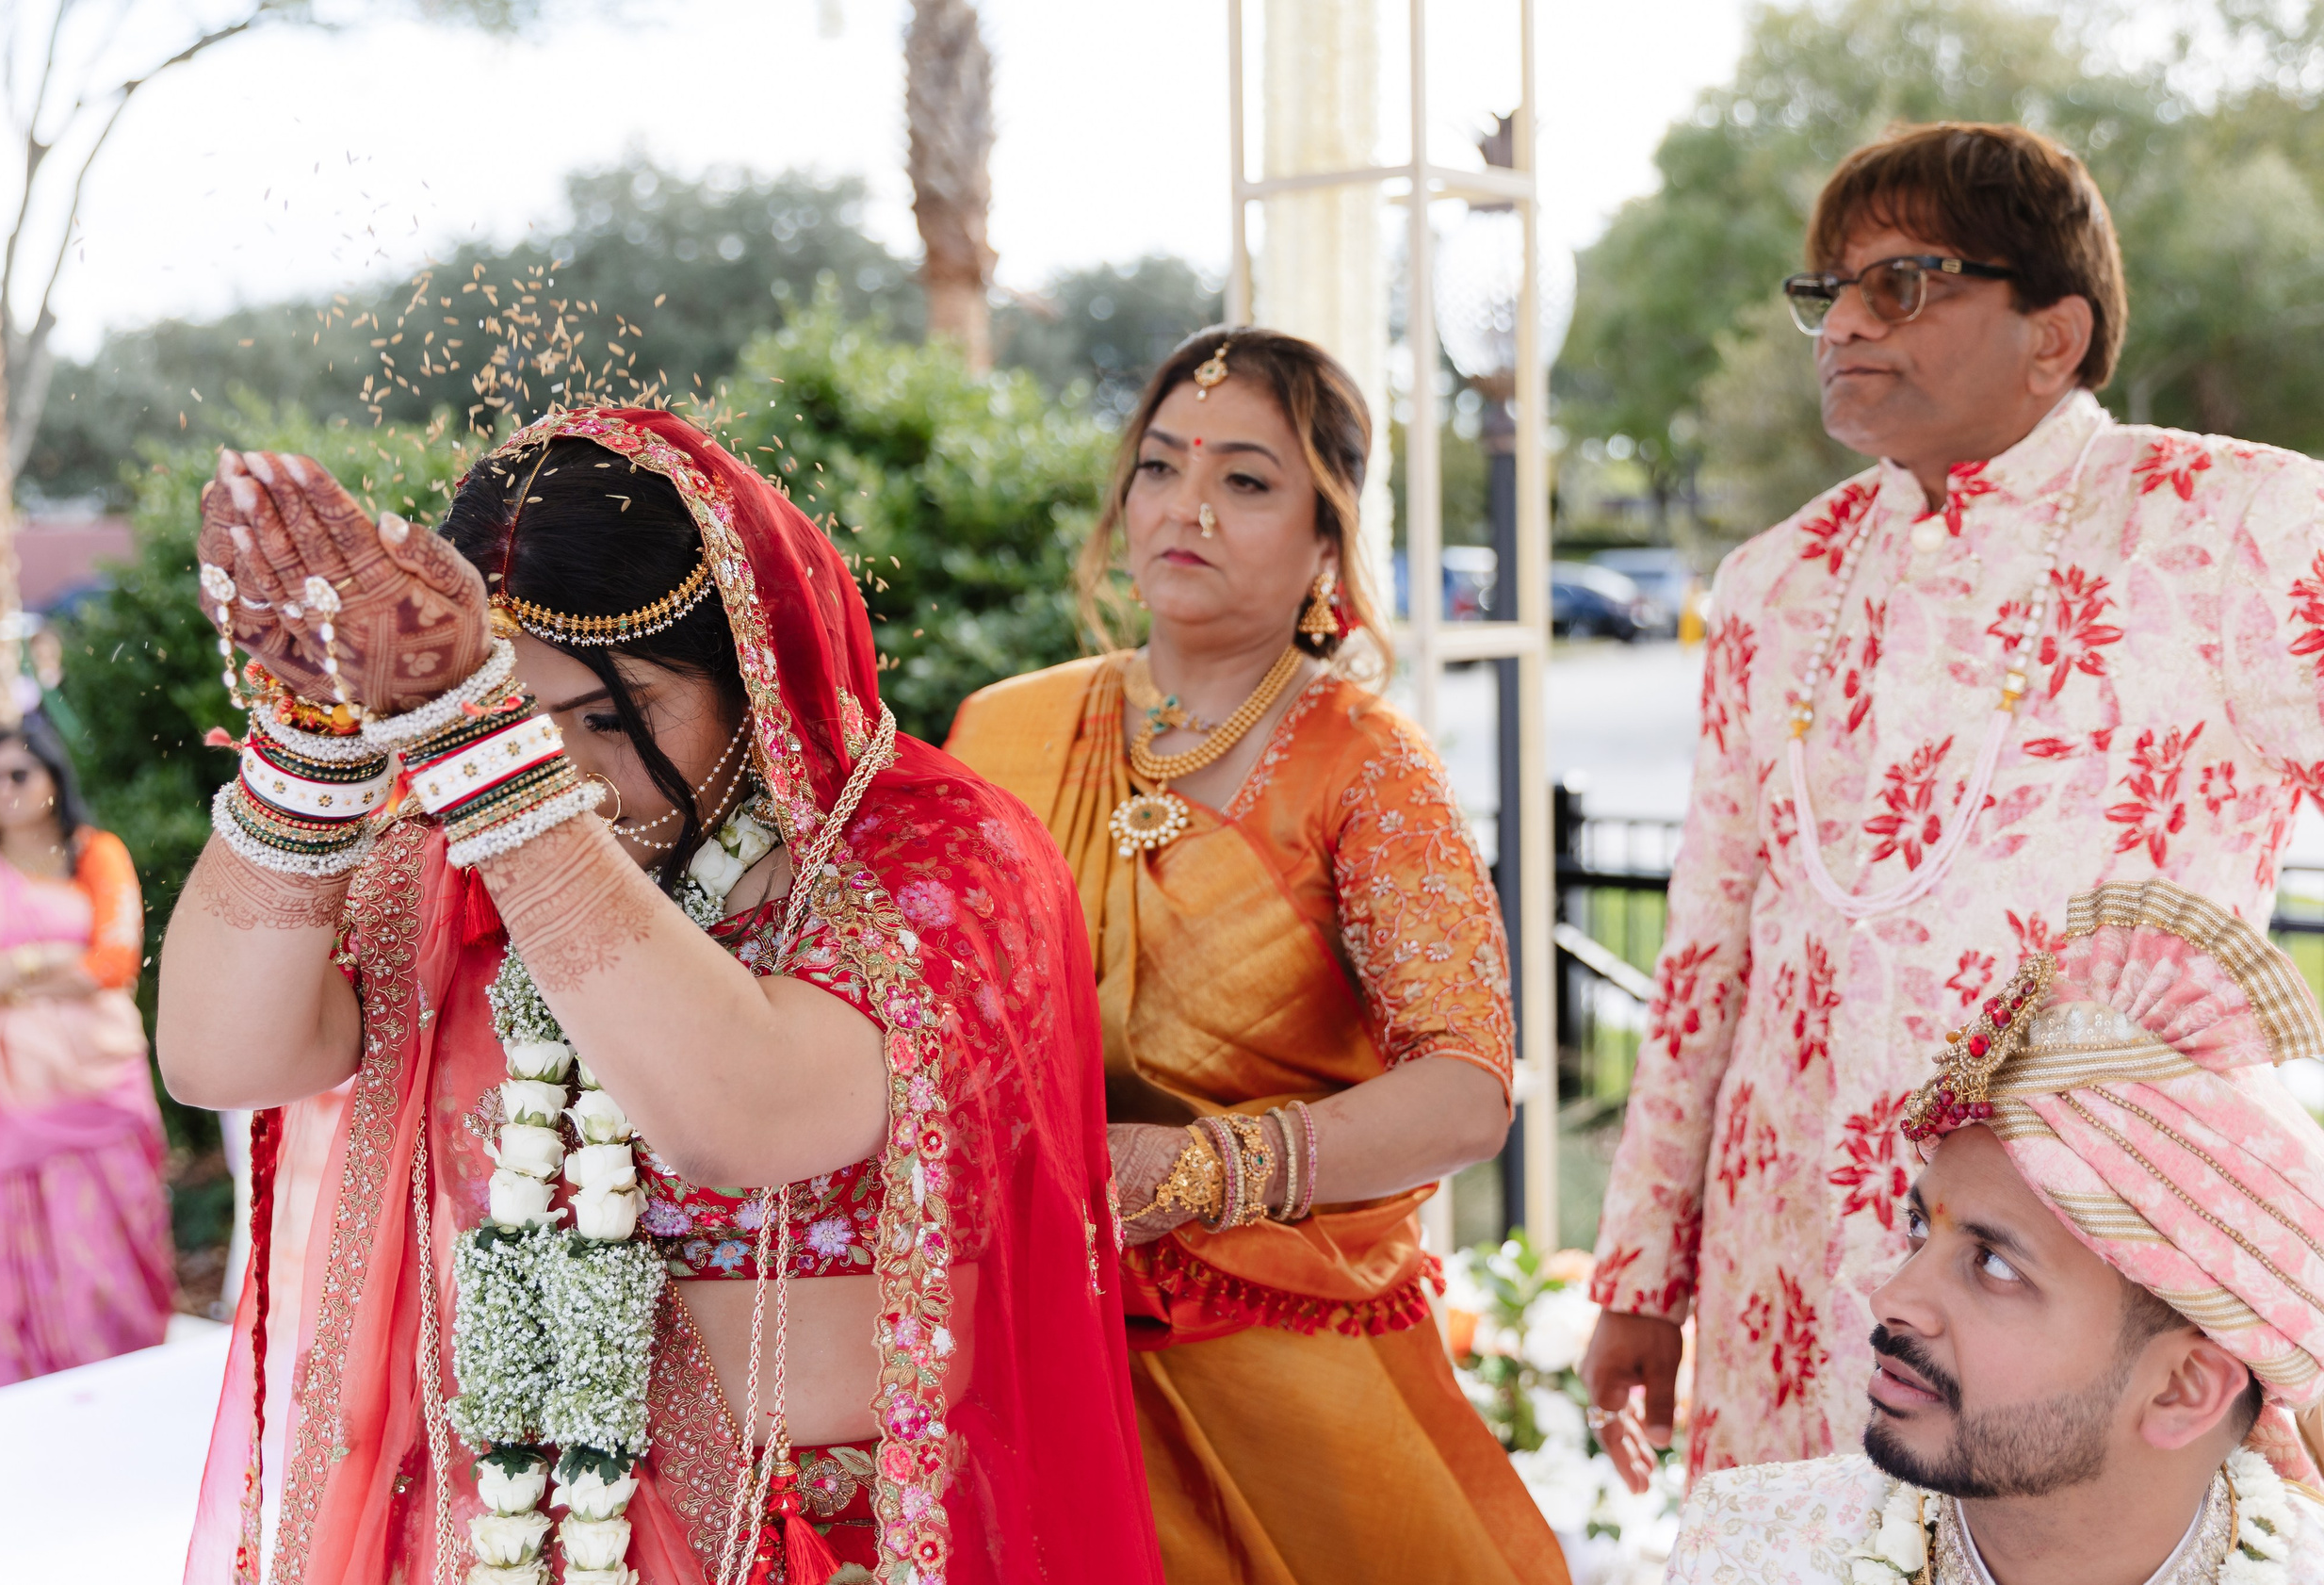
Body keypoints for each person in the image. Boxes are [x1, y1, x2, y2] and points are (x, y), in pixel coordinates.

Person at [164, 407, 1162, 1585]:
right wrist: (320, 732)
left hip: (827, 1544)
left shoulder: (926, 857)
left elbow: (742, 1114)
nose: (569, 773)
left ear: (754, 671)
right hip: (513, 1536)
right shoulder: (465, 854)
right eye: (519, 717)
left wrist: (489, 754)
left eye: (608, 714)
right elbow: (222, 1053)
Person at [1584, 120, 2324, 1484]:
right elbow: (1703, 953)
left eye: (1903, 282)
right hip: (1788, 1252)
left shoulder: (2239, 528)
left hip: (2081, 1256)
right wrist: (1641, 1274)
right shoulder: (1774, 581)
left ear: (2055, 333)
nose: (1846, 324)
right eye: (1831, 290)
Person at [945, 327, 1567, 1584]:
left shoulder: (1365, 768)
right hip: (1031, 1335)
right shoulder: (1007, 728)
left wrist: (1200, 1168)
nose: (1188, 507)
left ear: (1326, 541)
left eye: (1245, 479)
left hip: (1277, 1361)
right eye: (1163, 466)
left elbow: (1465, 1087)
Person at [1663, 878, 2324, 1584]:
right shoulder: (1746, 1551)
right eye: (1918, 1229)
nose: (1892, 1300)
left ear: (2184, 1389)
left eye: (1995, 1264)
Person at [0, 726, 166, 1397]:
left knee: (107, 1244)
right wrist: (47, 959)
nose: (2, 791)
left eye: (18, 775)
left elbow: (115, 962)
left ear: (55, 778)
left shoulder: (95, 855)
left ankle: (119, 1388)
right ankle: (6, 1391)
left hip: (96, 1080)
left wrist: (1, 973)